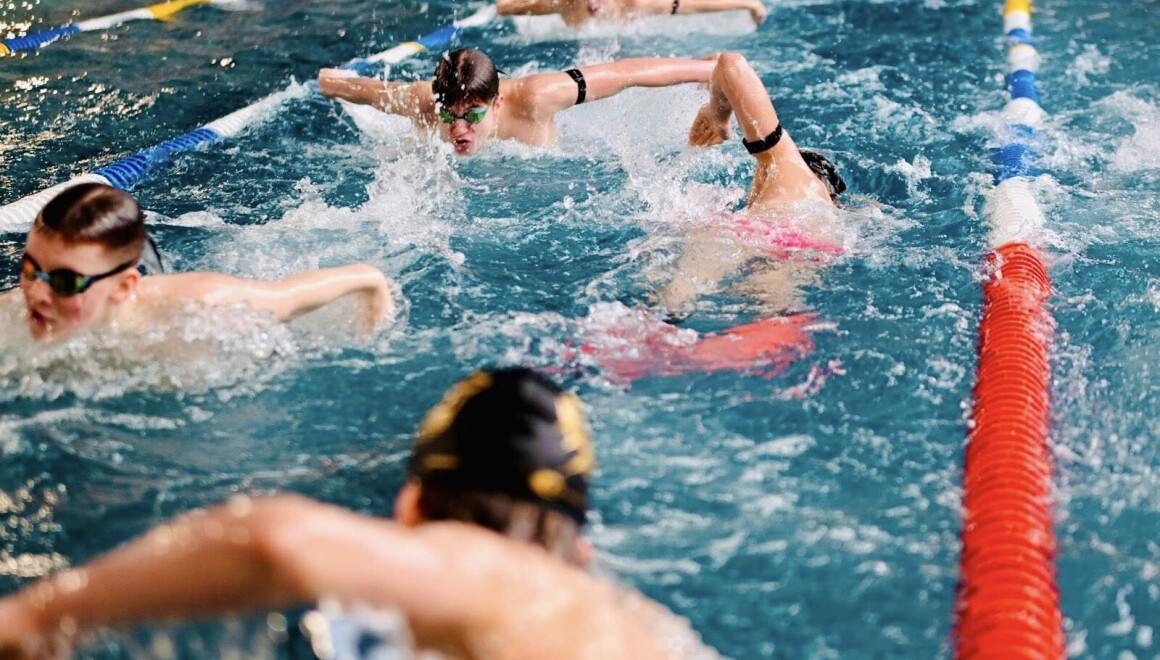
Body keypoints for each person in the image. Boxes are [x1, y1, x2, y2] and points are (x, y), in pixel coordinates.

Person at [0, 368, 716, 659]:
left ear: (413, 501)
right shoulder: (627, 621)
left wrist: (31, 619)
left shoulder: (495, 570)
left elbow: (278, 538)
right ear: (578, 543)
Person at [0, 183, 395, 342]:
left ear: (124, 286)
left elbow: (360, 278)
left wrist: (372, 329)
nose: (36, 294)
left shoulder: (202, 309)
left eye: (65, 282)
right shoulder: (13, 316)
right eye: (31, 270)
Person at [659, 51, 849, 315]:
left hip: (754, 235)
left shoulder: (789, 166)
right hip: (807, 249)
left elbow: (731, 64)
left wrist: (717, 114)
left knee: (679, 294)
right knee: (774, 316)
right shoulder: (829, 215)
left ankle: (664, 315)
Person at [318, 48, 716, 155]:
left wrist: (707, 71)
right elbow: (368, 91)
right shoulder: (424, 101)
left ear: (496, 103)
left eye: (472, 115)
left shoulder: (537, 97)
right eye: (449, 116)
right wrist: (326, 82)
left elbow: (626, 73)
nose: (459, 129)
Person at [496, 0, 767, 28]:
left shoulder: (634, 4)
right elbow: (505, 7)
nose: (593, 5)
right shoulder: (563, 4)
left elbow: (690, 6)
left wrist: (748, 4)